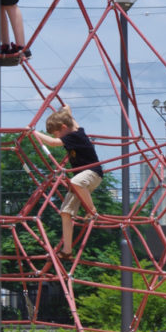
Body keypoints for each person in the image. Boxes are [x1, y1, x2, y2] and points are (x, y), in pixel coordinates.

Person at [31, 105, 102, 260]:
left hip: (92, 174)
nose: (57, 137)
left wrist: (33, 132)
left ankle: (92, 211)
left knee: (75, 182)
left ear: (63, 127)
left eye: (57, 133)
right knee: (65, 212)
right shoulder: (73, 129)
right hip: (80, 181)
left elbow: (53, 143)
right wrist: (67, 111)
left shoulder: (75, 136)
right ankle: (67, 250)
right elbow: (72, 120)